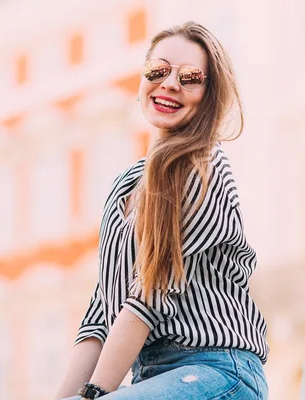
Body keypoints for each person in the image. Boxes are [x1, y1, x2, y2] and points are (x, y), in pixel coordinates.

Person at [55, 21, 269, 400]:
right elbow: (100, 316)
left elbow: (146, 301)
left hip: (218, 370)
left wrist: (91, 395)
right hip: (152, 378)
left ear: (208, 96)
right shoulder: (125, 186)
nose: (170, 83)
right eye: (158, 70)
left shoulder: (206, 170)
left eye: (190, 77)